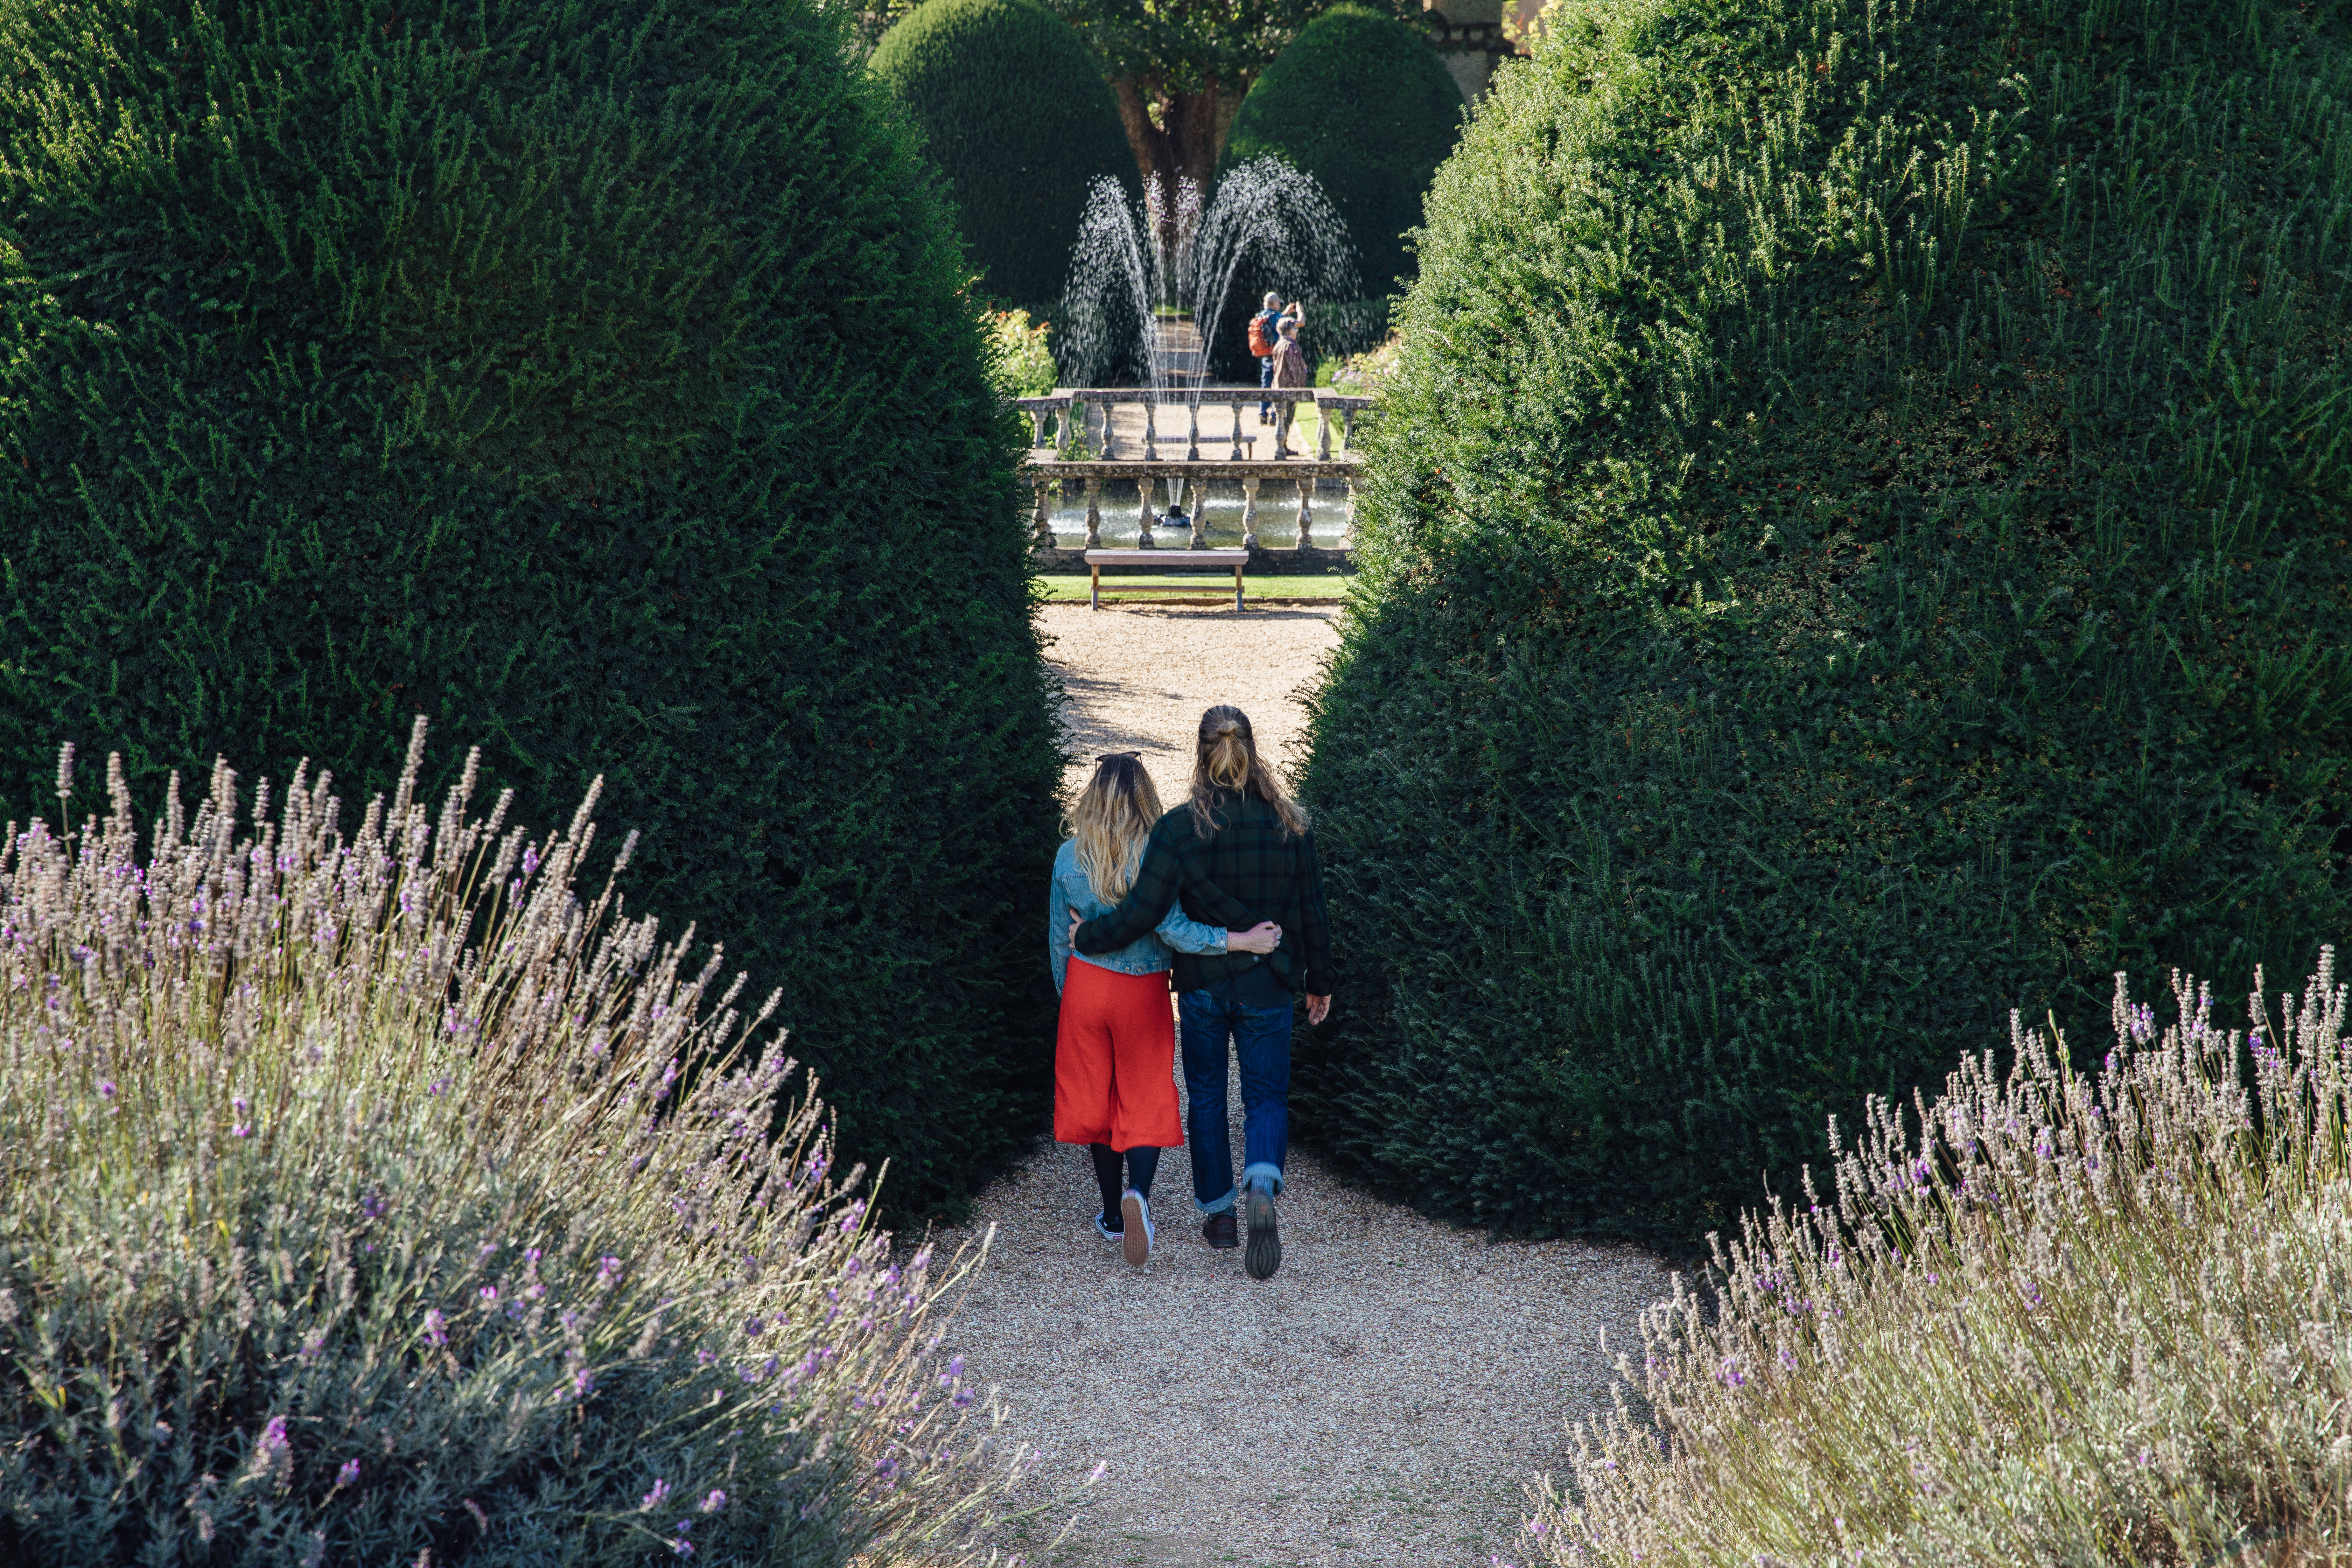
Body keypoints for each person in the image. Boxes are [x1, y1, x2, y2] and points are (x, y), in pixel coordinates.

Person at [1070, 708, 1334, 1281]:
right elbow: (1314, 912)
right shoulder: (1291, 826)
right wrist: (1320, 984)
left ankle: (1220, 1218)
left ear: (1201, 754)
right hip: (1268, 988)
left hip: (1203, 989)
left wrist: (1085, 937)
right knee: (1266, 1096)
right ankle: (1262, 1183)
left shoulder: (1179, 829)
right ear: (1252, 752)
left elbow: (1141, 914)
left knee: (1208, 1097)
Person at [1049, 751, 1283, 1268]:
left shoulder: (1069, 856)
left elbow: (1057, 942)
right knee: (1144, 1094)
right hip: (1141, 990)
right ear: (1145, 799)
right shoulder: (1157, 856)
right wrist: (1239, 940)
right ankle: (1141, 1198)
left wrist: (1071, 997)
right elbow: (1175, 930)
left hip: (1087, 989)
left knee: (1099, 1099)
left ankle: (1113, 1216)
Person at [1269, 316, 1312, 454]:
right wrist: (1300, 388)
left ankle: (1282, 446)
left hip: (1278, 386)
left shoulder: (1278, 345)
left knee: (1282, 418)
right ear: (1289, 331)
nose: (1296, 332)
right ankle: (1282, 448)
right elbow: (1297, 370)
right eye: (1295, 329)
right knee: (1287, 418)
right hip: (1289, 388)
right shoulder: (1291, 345)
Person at [1250, 292, 1284, 423]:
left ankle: (1263, 413)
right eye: (1278, 304)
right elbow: (1285, 324)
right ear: (1274, 304)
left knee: (1266, 384)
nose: (1279, 306)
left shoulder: (1260, 315)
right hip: (1276, 354)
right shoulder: (1276, 316)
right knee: (1277, 383)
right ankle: (1275, 415)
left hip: (1265, 354)